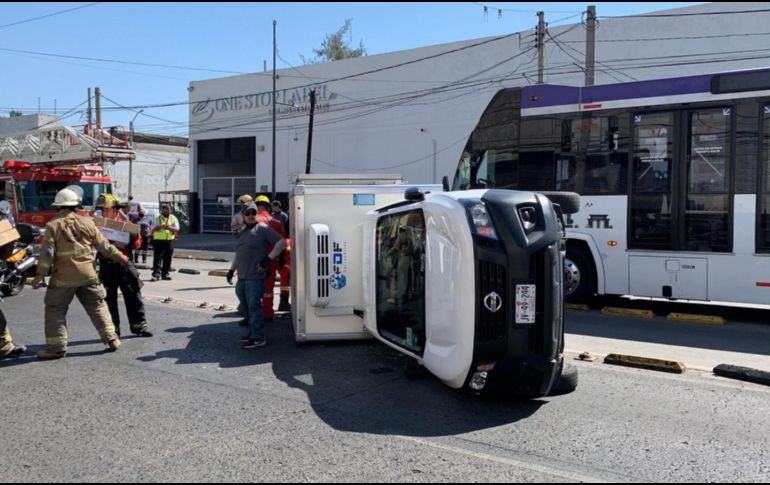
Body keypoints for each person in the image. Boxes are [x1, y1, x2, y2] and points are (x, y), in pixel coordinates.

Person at [31, 188, 127, 360]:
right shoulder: (87, 222)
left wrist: (39, 275)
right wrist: (120, 257)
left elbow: (47, 254)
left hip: (63, 278)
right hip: (88, 275)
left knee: (55, 310)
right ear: (76, 205)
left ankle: (56, 348)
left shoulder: (53, 225)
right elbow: (103, 246)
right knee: (98, 306)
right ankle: (112, 339)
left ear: (58, 206)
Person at [226, 203, 285, 349]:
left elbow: (281, 242)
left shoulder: (263, 229)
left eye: (254, 212)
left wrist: (268, 259)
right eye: (248, 213)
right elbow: (239, 253)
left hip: (254, 277)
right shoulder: (243, 231)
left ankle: (258, 337)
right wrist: (231, 270)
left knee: (254, 307)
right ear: (243, 217)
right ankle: (253, 331)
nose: (251, 215)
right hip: (242, 276)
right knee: (244, 306)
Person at [94, 194, 152, 338]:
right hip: (106, 265)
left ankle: (139, 326)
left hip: (124, 264)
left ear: (115, 210)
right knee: (108, 298)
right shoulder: (96, 225)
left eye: (105, 209)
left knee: (133, 294)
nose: (102, 212)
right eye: (100, 210)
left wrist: (131, 238)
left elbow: (137, 243)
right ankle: (113, 330)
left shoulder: (125, 224)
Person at [254, 195, 287, 322]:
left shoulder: (251, 220)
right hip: (271, 260)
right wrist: (282, 258)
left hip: (253, 260)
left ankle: (252, 314)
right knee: (268, 290)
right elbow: (283, 243)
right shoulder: (276, 222)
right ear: (268, 206)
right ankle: (267, 314)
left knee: (252, 288)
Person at [150, 205, 179, 282]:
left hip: (169, 241)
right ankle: (156, 274)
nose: (166, 211)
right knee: (158, 258)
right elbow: (152, 229)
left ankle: (165, 274)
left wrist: (168, 227)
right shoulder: (157, 217)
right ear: (162, 210)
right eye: (165, 210)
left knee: (168, 258)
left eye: (168, 210)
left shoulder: (173, 218)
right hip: (159, 240)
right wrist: (160, 227)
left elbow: (177, 229)